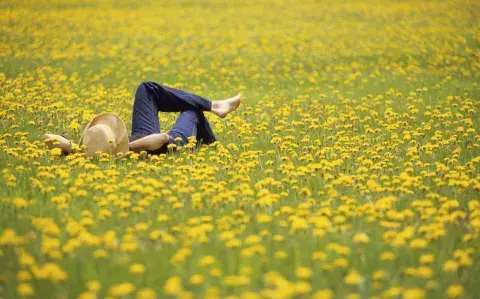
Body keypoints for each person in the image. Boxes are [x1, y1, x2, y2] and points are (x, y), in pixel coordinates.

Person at [44, 81, 242, 156]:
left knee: (147, 88)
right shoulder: (128, 151)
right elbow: (163, 138)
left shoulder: (87, 152)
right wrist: (124, 148)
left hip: (140, 135)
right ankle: (212, 144)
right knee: (192, 111)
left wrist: (74, 147)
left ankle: (213, 106)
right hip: (169, 145)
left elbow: (49, 137)